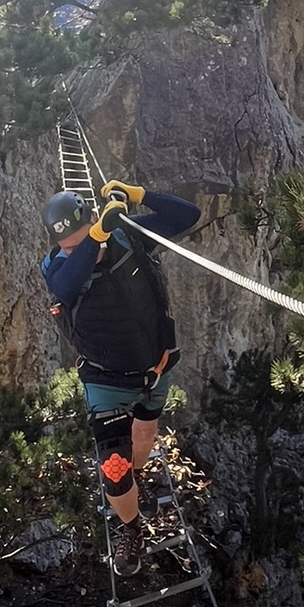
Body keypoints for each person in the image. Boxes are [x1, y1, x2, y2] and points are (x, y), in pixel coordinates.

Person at [41, 177, 201, 574]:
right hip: (106, 381)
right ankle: (132, 529)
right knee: (113, 469)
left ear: (94, 218)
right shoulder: (56, 265)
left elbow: (188, 216)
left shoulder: (129, 237)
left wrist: (138, 195)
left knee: (144, 438)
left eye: (80, 238)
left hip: (154, 368)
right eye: (69, 244)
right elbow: (66, 284)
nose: (75, 249)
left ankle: (139, 478)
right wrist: (95, 236)